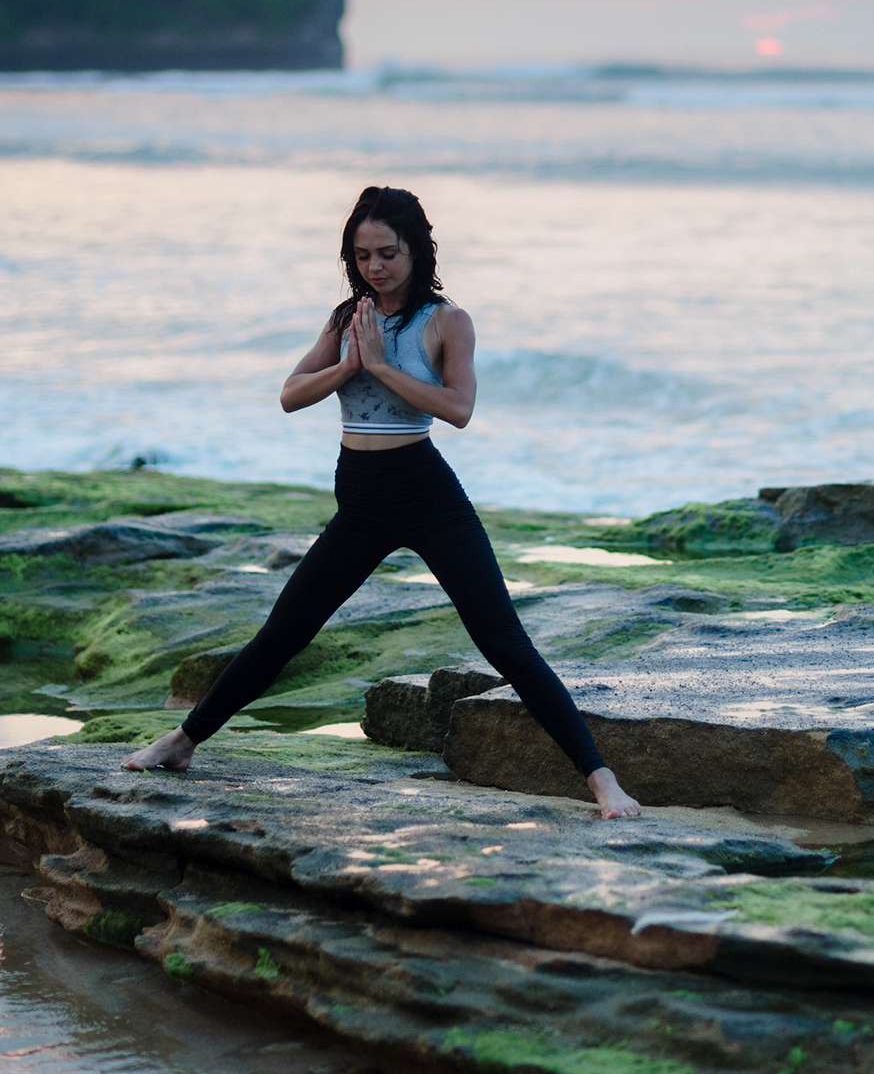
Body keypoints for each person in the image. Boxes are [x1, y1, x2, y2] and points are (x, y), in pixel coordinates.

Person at [124, 185, 641, 819]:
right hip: (361, 505)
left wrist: (380, 366)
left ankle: (601, 781)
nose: (375, 266)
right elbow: (290, 394)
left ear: (417, 251)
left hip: (427, 496)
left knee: (504, 643)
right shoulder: (347, 317)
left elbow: (459, 410)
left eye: (388, 253)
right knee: (284, 633)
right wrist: (347, 366)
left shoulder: (447, 322)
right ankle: (182, 741)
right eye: (363, 254)